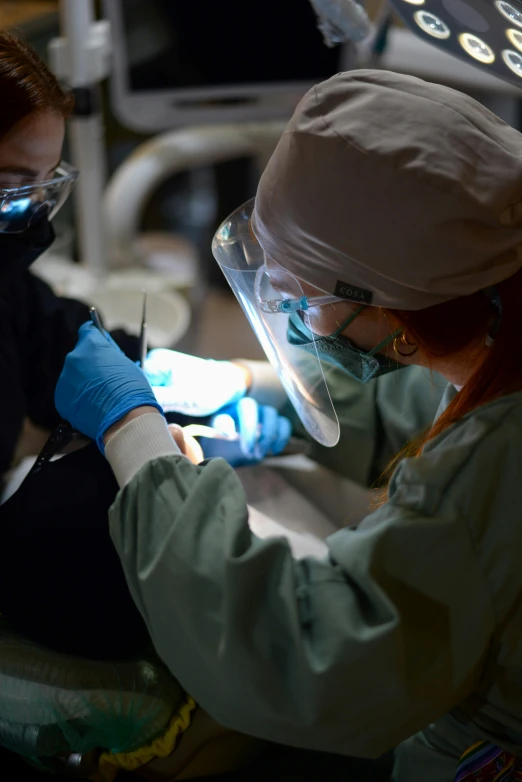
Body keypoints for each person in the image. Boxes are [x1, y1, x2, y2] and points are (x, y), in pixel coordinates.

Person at [55, 68, 522, 780]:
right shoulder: (493, 299)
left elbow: (302, 662)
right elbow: (426, 401)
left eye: (303, 301)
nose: (297, 321)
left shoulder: (498, 461)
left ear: (398, 316)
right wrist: (254, 389)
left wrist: (138, 442)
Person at [0, 30, 289, 659]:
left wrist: (158, 376)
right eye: (16, 187)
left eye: (47, 186)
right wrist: (132, 445)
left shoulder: (7, 277)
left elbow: (55, 331)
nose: (34, 217)